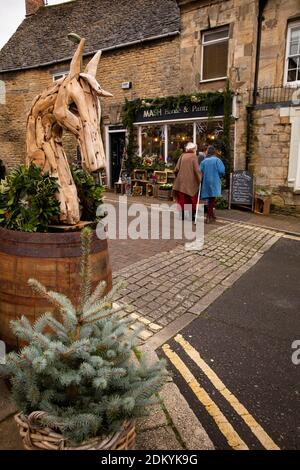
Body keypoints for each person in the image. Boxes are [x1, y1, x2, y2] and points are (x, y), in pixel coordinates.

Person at [173, 142, 201, 222]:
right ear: (193, 149)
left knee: (182, 199)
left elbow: (176, 169)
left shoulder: (182, 156)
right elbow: (197, 170)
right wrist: (200, 179)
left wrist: (177, 177)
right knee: (191, 199)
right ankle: (191, 216)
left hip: (181, 182)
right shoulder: (194, 157)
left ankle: (181, 215)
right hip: (191, 182)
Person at [200, 145, 225, 223]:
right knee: (212, 199)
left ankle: (211, 215)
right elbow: (222, 171)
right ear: (214, 152)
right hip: (214, 181)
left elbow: (200, 171)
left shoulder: (204, 161)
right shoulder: (217, 160)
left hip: (206, 181)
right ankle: (208, 216)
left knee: (210, 199)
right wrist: (219, 176)